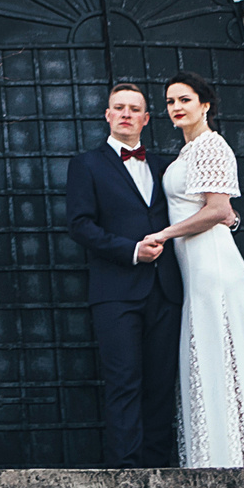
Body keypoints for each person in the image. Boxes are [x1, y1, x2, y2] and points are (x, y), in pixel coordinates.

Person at [135, 72, 244, 468]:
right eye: (170, 102)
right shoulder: (187, 152)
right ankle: (217, 454)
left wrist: (164, 234)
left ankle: (241, 458)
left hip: (214, 267)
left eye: (184, 99)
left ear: (205, 105)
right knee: (210, 359)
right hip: (196, 270)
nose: (176, 108)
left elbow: (219, 210)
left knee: (225, 357)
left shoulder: (210, 146)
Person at [64, 83, 182, 467]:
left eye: (135, 109)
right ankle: (127, 472)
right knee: (124, 383)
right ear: (108, 115)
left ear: (146, 119)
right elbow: (80, 225)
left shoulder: (167, 166)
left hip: (166, 290)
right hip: (115, 292)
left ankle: (159, 468)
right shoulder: (86, 164)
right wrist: (131, 251)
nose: (127, 114)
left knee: (161, 385)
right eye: (119, 107)